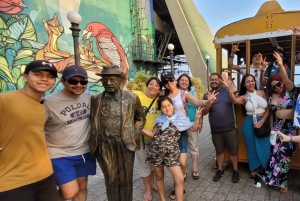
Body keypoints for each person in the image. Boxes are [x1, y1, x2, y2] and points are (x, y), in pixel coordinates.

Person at [0, 60, 58, 201]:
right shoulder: (5, 99)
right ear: (25, 77)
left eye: (50, 76)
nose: (44, 79)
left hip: (45, 176)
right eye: (38, 74)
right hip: (12, 180)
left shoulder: (44, 105)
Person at [89, 65, 146, 201]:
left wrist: (133, 133)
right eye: (105, 80)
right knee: (111, 179)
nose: (108, 83)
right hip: (104, 145)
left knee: (126, 179)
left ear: (120, 80)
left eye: (112, 80)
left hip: (125, 143)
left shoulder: (131, 98)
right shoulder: (95, 99)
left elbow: (141, 119)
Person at [160, 71, 217, 200]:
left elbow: (197, 102)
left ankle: (180, 182)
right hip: (169, 133)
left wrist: (208, 101)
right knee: (173, 163)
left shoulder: (183, 93)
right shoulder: (163, 94)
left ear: (174, 80)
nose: (169, 83)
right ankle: (179, 187)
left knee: (183, 163)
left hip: (183, 130)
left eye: (170, 80)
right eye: (165, 81)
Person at [44, 65, 96, 201]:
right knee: (69, 191)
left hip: (84, 152)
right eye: (73, 81)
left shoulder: (90, 97)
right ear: (63, 82)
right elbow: (32, 126)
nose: (79, 85)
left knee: (82, 186)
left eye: (83, 82)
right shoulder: (49, 103)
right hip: (59, 153)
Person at [142, 96, 203, 201]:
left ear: (173, 105)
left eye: (169, 105)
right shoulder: (159, 118)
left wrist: (197, 118)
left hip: (172, 152)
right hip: (156, 151)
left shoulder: (181, 119)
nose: (167, 108)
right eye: (163, 107)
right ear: (161, 109)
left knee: (179, 178)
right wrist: (140, 129)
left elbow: (193, 129)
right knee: (159, 177)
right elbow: (153, 134)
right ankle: (162, 199)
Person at [221, 73, 270, 188]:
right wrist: (229, 88)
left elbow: (267, 110)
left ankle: (262, 170)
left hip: (262, 123)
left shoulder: (262, 92)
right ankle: (253, 173)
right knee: (252, 149)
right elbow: (235, 101)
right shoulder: (244, 97)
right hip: (249, 125)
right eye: (247, 81)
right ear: (244, 84)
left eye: (252, 80)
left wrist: (262, 121)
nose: (250, 83)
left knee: (265, 148)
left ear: (255, 82)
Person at [261, 52, 297, 194]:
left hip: (290, 128)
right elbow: (271, 113)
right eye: (274, 86)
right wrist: (271, 128)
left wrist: (281, 65)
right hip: (277, 127)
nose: (278, 87)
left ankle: (282, 181)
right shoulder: (271, 97)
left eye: (279, 84)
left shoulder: (290, 91)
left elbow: (287, 80)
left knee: (284, 155)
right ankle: (275, 180)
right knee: (275, 155)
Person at [202, 72, 240, 183]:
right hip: (216, 130)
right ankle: (220, 169)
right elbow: (204, 113)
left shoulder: (226, 91)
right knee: (218, 151)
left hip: (230, 128)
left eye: (215, 79)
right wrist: (209, 102)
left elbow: (236, 101)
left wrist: (230, 88)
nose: (213, 81)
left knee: (233, 151)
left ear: (219, 80)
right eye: (211, 79)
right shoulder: (207, 95)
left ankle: (235, 170)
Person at [133, 77, 162, 201]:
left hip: (156, 139)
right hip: (141, 140)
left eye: (156, 85)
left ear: (159, 89)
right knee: (144, 166)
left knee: (155, 166)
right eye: (151, 84)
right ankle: (147, 191)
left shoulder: (160, 100)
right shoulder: (137, 95)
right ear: (147, 85)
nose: (153, 87)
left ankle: (154, 183)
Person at [177, 73, 202, 180]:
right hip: (179, 125)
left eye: (186, 80)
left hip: (192, 123)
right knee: (181, 148)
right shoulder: (176, 93)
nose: (184, 82)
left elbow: (199, 107)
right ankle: (183, 170)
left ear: (189, 83)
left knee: (193, 146)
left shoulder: (193, 93)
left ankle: (195, 168)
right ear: (178, 82)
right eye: (182, 80)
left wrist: (200, 122)